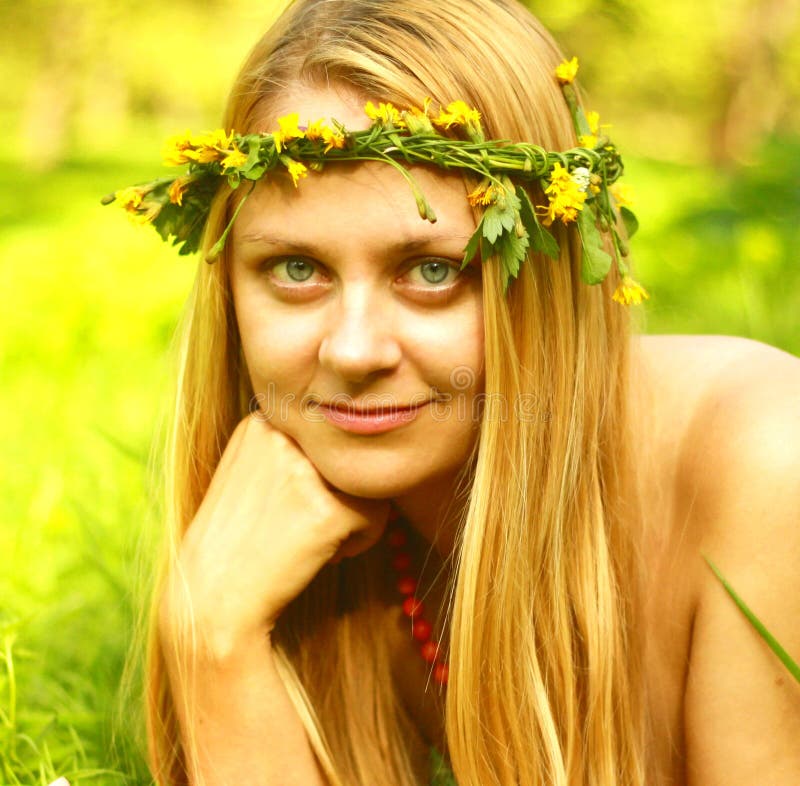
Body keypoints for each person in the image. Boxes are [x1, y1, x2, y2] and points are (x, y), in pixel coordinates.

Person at [120, 0, 800, 784]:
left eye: (432, 271)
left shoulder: (768, 461)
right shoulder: (322, 560)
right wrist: (217, 640)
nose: (353, 349)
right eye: (297, 269)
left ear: (544, 277)